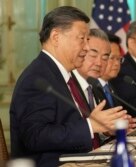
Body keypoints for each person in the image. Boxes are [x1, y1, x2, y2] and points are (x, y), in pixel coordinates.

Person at [9, 6, 126, 167]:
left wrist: (102, 129)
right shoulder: (38, 78)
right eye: (82, 39)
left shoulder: (64, 74)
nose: (86, 47)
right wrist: (91, 125)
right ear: (56, 37)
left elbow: (73, 126)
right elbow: (35, 137)